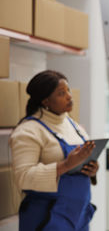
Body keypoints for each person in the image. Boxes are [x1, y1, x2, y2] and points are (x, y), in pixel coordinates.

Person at [9, 70, 99, 231]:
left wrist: (92, 170)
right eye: (61, 93)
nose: (69, 96)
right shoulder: (28, 131)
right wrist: (65, 165)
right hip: (48, 218)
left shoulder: (74, 126)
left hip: (78, 216)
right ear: (45, 101)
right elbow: (23, 177)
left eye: (68, 91)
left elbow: (82, 164)